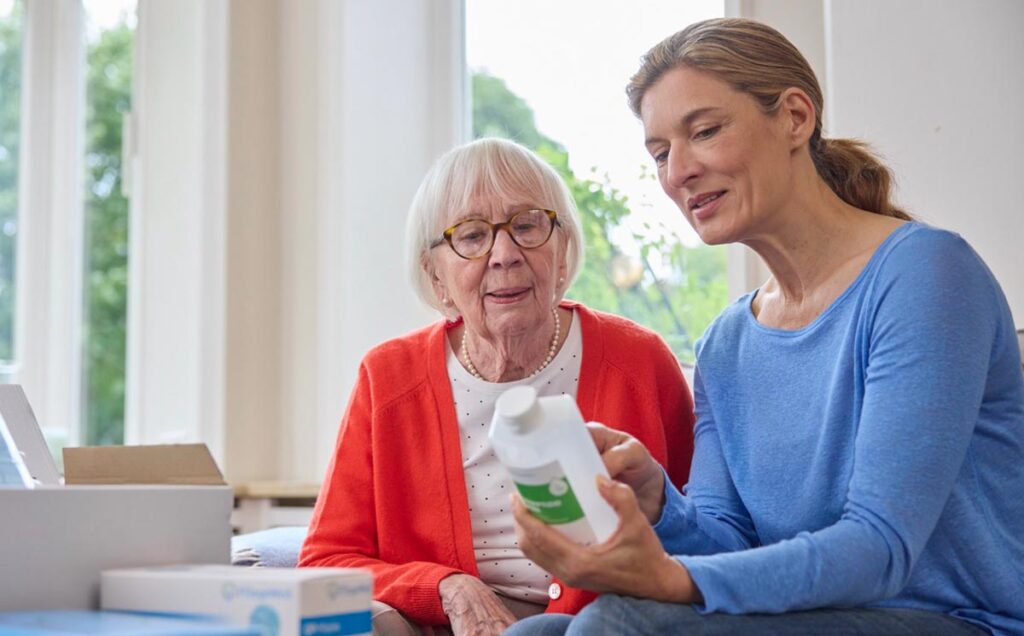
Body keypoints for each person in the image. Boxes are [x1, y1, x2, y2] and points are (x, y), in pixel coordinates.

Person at [506, 17, 1024, 636]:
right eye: (661, 153)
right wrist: (658, 504)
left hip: (955, 619)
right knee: (533, 634)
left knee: (614, 625)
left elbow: (880, 547)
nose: (679, 173)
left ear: (795, 118)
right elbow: (726, 541)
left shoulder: (926, 275)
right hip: (817, 615)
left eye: (704, 131)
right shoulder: (727, 343)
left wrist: (671, 581)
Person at [298, 138, 695, 636]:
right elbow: (327, 559)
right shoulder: (388, 377)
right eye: (471, 236)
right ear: (435, 274)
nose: (504, 254)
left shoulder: (639, 361)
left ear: (562, 250)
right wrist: (446, 588)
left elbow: (699, 531)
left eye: (527, 225)